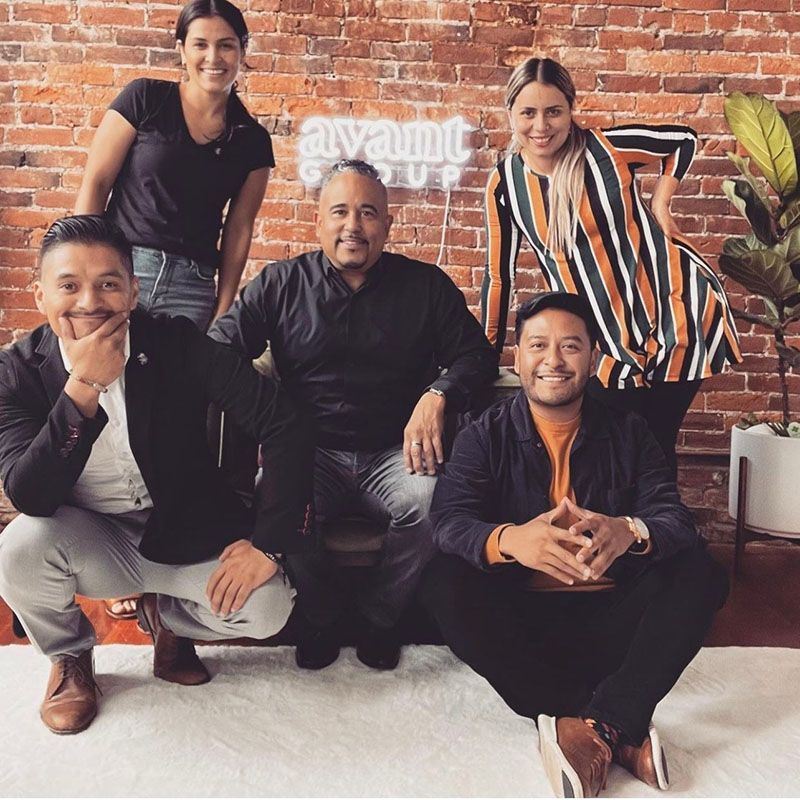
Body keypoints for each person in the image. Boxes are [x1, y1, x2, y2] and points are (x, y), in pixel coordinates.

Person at [0, 216, 313, 735]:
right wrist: (82, 389)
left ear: (133, 291)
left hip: (184, 531)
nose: (89, 301)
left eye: (107, 283)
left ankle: (167, 618)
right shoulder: (16, 372)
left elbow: (284, 422)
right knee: (16, 550)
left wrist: (269, 545)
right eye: (69, 286)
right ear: (40, 296)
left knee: (268, 607)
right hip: (89, 537)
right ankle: (71, 659)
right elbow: (29, 493)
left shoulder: (175, 341)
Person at [420, 292, 729, 798]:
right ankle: (613, 723)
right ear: (518, 358)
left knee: (702, 571)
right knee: (442, 582)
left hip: (613, 621)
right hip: (523, 626)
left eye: (571, 346)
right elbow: (448, 521)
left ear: (591, 358)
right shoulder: (484, 434)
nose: (554, 361)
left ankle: (596, 724)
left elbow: (673, 517)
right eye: (538, 345)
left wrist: (630, 529)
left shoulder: (630, 432)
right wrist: (510, 540)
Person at [210, 159, 499, 671]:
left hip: (396, 451)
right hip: (309, 453)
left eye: (368, 213)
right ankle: (319, 614)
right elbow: (218, 351)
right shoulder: (280, 284)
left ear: (387, 225)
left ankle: (380, 615)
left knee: (433, 502)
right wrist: (269, 413)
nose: (354, 225)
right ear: (318, 220)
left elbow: (476, 355)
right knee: (274, 494)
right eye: (340, 211)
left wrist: (438, 393)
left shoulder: (426, 287)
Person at [75, 0, 272, 619]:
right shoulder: (143, 101)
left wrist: (222, 306)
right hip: (120, 272)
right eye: (201, 44)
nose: (214, 57)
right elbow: (94, 188)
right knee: (104, 404)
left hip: (191, 284)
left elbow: (237, 233)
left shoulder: (251, 139)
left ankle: (167, 577)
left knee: (173, 426)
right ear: (182, 50)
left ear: (242, 52)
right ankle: (105, 562)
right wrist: (87, 274)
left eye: (227, 46)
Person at [481, 57, 742, 477]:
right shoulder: (504, 183)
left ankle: (654, 539)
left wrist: (660, 201)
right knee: (607, 451)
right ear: (510, 112)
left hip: (676, 313)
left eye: (553, 111)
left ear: (570, 109)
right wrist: (485, 354)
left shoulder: (606, 148)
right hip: (604, 340)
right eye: (528, 112)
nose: (541, 126)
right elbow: (499, 276)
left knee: (654, 447)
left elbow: (685, 140)